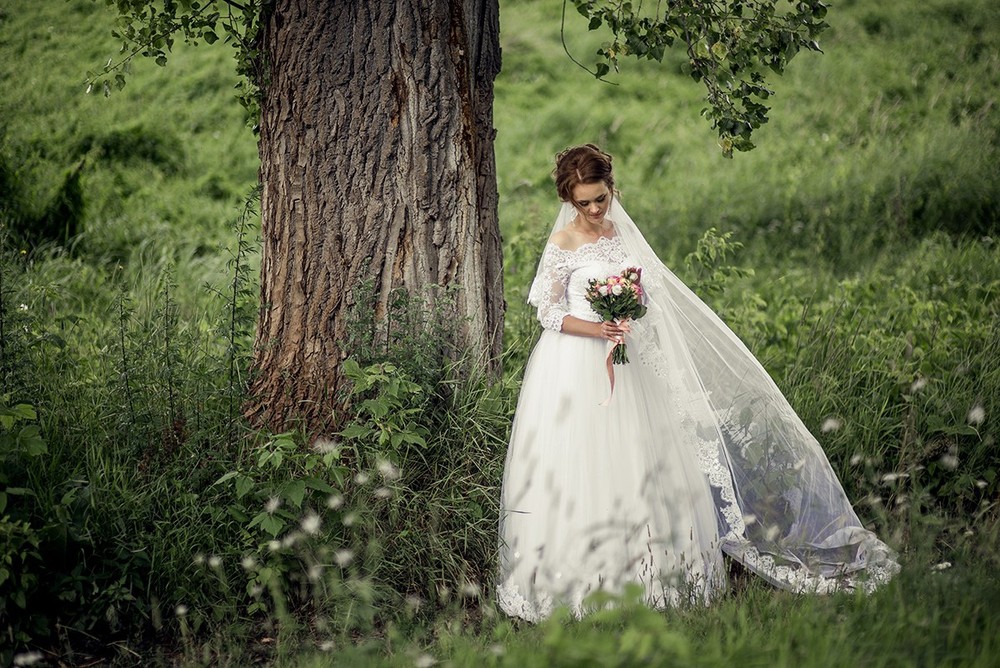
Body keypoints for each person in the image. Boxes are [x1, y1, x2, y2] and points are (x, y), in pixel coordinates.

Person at [496, 144, 898, 622]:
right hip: (572, 364)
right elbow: (548, 311)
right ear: (568, 197)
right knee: (581, 459)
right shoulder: (562, 243)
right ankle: (578, 579)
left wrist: (628, 312)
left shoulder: (621, 234)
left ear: (611, 188)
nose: (594, 209)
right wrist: (599, 328)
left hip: (629, 361)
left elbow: (647, 294)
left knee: (640, 454)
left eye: (600, 198)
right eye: (584, 202)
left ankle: (654, 575)